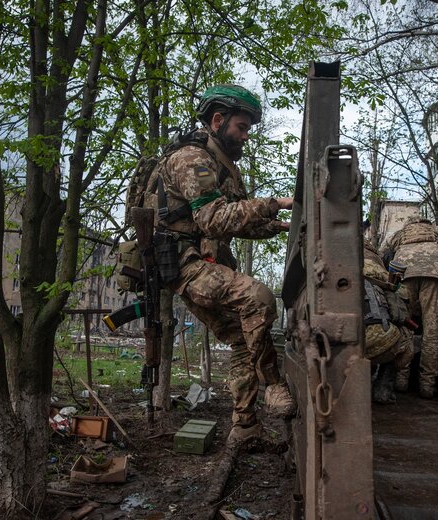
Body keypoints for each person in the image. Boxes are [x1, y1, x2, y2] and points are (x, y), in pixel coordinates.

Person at [142, 84, 295, 443]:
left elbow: (238, 221)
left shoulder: (220, 165)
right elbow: (213, 219)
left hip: (201, 260)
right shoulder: (193, 160)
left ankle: (245, 427)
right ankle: (273, 385)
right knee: (257, 298)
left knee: (245, 339)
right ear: (217, 120)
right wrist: (275, 203)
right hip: (182, 262)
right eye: (241, 128)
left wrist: (283, 225)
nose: (245, 137)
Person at [380, 217, 438, 399]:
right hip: (435, 273)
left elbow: (382, 253)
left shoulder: (400, 233)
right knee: (432, 331)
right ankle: (427, 385)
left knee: (405, 325)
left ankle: (401, 380)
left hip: (404, 272)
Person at [363, 224, 415, 404]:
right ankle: (383, 389)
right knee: (406, 336)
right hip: (379, 339)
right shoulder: (380, 271)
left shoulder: (332, 263)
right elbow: (402, 312)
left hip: (337, 345)